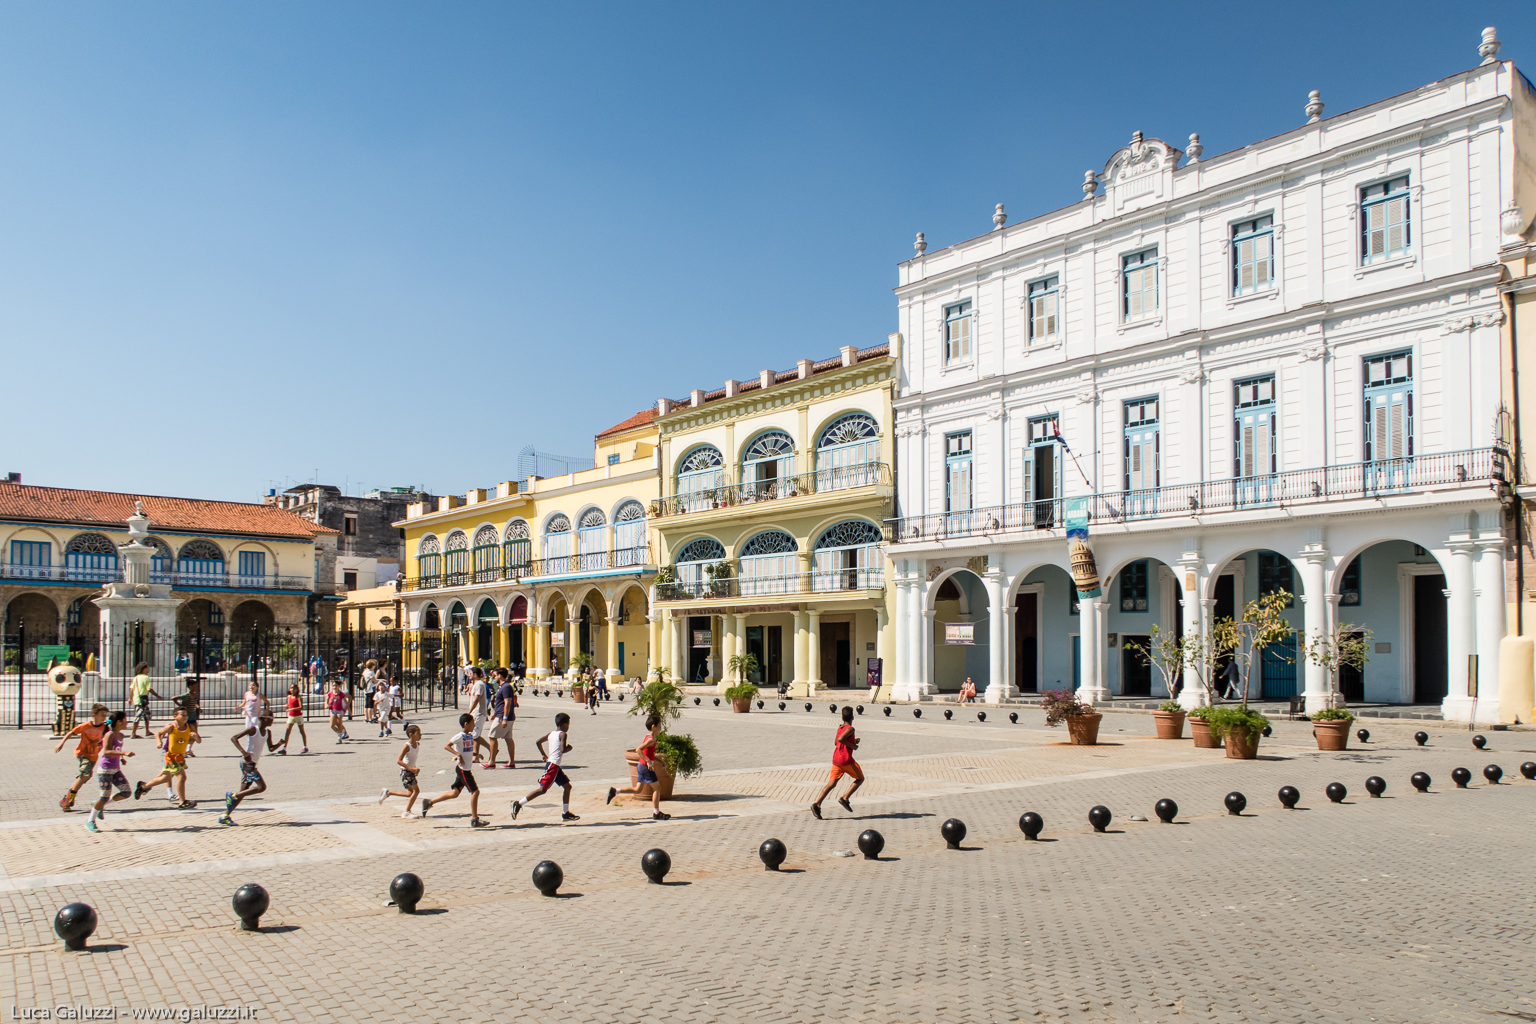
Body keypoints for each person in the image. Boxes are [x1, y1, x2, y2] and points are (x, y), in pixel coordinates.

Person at [419, 713, 487, 827]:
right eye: (472, 723)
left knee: (455, 793)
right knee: (475, 792)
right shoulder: (459, 736)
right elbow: (447, 746)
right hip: (463, 770)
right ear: (466, 724)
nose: (474, 725)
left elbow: (467, 750)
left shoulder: (470, 736)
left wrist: (476, 754)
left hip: (464, 769)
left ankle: (429, 802)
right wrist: (457, 754)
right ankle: (475, 819)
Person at [511, 712, 578, 822]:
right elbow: (562, 750)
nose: (568, 727)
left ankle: (565, 813)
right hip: (553, 766)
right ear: (565, 724)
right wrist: (568, 748)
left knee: (567, 787)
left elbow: (538, 742)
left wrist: (543, 754)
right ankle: (518, 803)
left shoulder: (551, 733)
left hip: (553, 765)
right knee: (542, 789)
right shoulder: (563, 735)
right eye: (568, 724)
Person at [605, 714, 670, 821]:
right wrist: (649, 761)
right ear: (653, 726)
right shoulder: (651, 740)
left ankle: (615, 791)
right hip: (645, 767)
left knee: (637, 789)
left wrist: (660, 761)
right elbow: (638, 750)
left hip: (641, 766)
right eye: (659, 726)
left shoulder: (648, 737)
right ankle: (656, 812)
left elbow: (650, 753)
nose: (660, 729)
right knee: (657, 788)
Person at [219, 712, 276, 825]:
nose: (272, 720)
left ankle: (225, 815)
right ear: (262, 718)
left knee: (244, 791)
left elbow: (271, 748)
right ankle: (232, 795)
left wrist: (280, 743)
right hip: (247, 764)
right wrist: (244, 752)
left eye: (273, 718)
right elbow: (234, 738)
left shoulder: (268, 732)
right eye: (270, 718)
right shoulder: (253, 729)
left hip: (253, 764)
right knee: (261, 787)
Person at [137, 707, 198, 808]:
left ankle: (144, 786)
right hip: (169, 755)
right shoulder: (171, 727)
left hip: (179, 756)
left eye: (186, 715)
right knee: (181, 777)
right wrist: (159, 742)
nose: (185, 717)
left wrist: (196, 737)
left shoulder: (190, 727)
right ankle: (182, 802)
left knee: (166, 777)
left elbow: (199, 740)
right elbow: (159, 733)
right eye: (182, 715)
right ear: (175, 716)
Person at [55, 703, 110, 812]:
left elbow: (109, 741)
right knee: (85, 774)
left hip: (93, 756)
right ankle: (68, 799)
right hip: (82, 753)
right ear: (93, 715)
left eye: (105, 715)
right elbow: (70, 733)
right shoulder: (85, 726)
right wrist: (61, 743)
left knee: (85, 776)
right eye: (102, 715)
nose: (104, 717)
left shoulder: (105, 728)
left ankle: (67, 798)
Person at [85, 710, 134, 832]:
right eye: (125, 720)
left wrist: (121, 758)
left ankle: (100, 805)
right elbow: (106, 751)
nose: (127, 722)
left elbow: (115, 749)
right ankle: (90, 821)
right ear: (119, 722)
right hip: (105, 770)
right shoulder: (110, 734)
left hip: (116, 769)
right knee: (104, 796)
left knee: (126, 792)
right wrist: (124, 753)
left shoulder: (121, 735)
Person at [811, 705, 863, 818]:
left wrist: (852, 740)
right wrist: (853, 746)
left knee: (831, 784)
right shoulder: (850, 728)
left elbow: (836, 742)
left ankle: (817, 804)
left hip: (836, 759)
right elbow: (840, 740)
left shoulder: (840, 728)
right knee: (860, 778)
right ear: (852, 717)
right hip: (846, 760)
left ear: (842, 717)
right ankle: (845, 798)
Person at [380, 724, 423, 817]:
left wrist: (413, 769)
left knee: (410, 793)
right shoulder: (407, 746)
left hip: (410, 771)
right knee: (416, 791)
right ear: (411, 734)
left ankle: (388, 793)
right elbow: (399, 760)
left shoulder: (417, 744)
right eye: (418, 733)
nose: (420, 735)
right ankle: (407, 811)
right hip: (406, 771)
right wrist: (410, 768)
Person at [485, 668, 516, 768]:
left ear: (500, 675)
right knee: (508, 738)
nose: (493, 678)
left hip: (503, 717)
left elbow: (507, 703)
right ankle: (511, 762)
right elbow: (500, 702)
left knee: (492, 736)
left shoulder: (506, 687)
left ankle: (491, 762)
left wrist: (505, 718)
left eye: (494, 676)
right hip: (501, 715)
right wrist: (495, 713)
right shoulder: (501, 687)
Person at [466, 667, 493, 764]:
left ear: (475, 675)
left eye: (470, 673)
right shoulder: (476, 684)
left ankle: (492, 749)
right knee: (476, 735)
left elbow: (477, 699)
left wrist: (469, 711)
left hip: (478, 712)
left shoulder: (479, 685)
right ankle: (475, 756)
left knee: (475, 735)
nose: (469, 675)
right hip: (476, 712)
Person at [128, 663, 160, 739]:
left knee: (147, 715)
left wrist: (130, 698)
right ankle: (133, 733)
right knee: (138, 716)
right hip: (142, 700)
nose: (149, 669)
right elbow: (149, 689)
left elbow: (131, 689)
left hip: (137, 699)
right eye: (147, 668)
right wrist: (157, 696)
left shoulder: (135, 678)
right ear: (144, 669)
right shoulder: (146, 678)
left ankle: (147, 731)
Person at [277, 682, 309, 753]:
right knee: (287, 731)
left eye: (294, 688)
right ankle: (284, 748)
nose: (292, 689)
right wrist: (287, 706)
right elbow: (291, 704)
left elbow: (301, 707)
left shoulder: (298, 697)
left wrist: (291, 709)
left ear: (297, 689)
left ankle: (305, 746)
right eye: (291, 688)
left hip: (298, 716)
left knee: (301, 731)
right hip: (291, 716)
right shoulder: (289, 697)